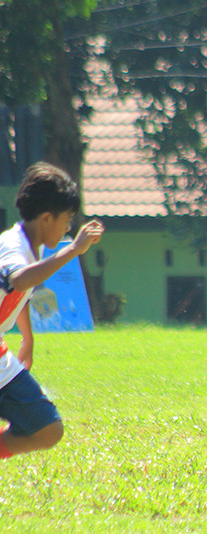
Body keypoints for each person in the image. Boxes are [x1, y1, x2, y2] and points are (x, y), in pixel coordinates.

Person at [0, 162, 104, 462]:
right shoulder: (12, 245)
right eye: (66, 220)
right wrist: (72, 251)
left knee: (47, 429)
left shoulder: (31, 245)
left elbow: (15, 293)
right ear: (47, 218)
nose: (68, 228)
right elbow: (19, 279)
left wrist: (28, 338)